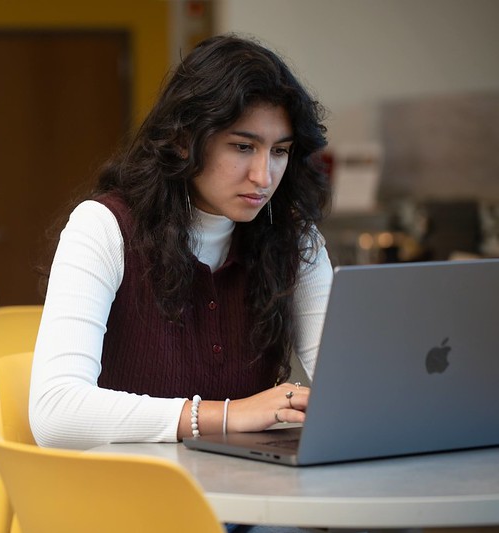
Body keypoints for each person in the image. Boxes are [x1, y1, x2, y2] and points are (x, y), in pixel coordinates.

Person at [29, 33, 333, 452]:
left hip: (244, 492)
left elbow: (347, 391)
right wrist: (224, 416)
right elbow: (55, 413)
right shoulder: (103, 227)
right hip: (129, 496)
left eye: (279, 151)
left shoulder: (296, 240)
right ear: (182, 139)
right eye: (243, 146)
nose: (264, 177)